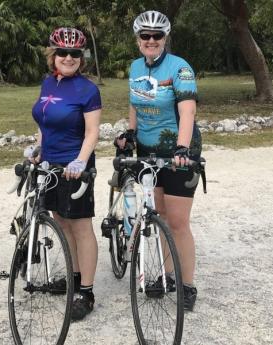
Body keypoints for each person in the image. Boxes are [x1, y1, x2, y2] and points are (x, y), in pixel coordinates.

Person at [116, 11, 202, 311]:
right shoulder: (136, 66)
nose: (151, 41)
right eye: (145, 36)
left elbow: (188, 111)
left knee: (178, 222)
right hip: (147, 152)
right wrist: (130, 132)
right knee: (161, 217)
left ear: (165, 38)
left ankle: (187, 284)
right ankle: (167, 277)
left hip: (179, 151)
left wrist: (182, 148)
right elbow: (135, 103)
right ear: (138, 40)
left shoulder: (180, 68)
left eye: (157, 36)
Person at [31, 27, 101, 321]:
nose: (69, 58)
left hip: (74, 168)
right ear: (53, 55)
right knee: (61, 221)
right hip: (50, 166)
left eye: (75, 53)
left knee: (81, 227)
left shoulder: (88, 89)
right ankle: (73, 277)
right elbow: (44, 124)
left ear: (81, 58)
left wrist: (81, 162)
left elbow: (92, 132)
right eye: (63, 52)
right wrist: (37, 147)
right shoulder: (49, 83)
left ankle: (86, 291)